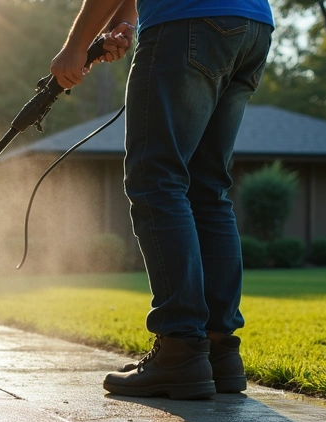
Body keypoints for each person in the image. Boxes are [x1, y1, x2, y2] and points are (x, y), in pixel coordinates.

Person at [50, 0, 273, 399]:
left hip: (187, 22)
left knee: (157, 180)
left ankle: (180, 350)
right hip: (251, 25)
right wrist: (124, 21)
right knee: (208, 189)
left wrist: (76, 46)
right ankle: (218, 350)